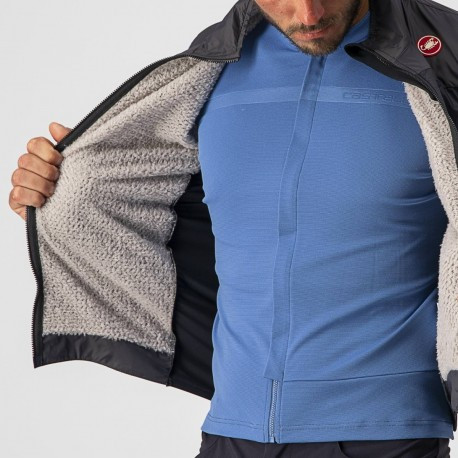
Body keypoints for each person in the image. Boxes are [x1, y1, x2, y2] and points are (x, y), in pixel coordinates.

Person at [8, 1, 456, 457]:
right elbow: (129, 196)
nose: (308, 14)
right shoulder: (210, 72)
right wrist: (65, 193)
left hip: (387, 434)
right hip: (232, 432)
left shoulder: (444, 62)